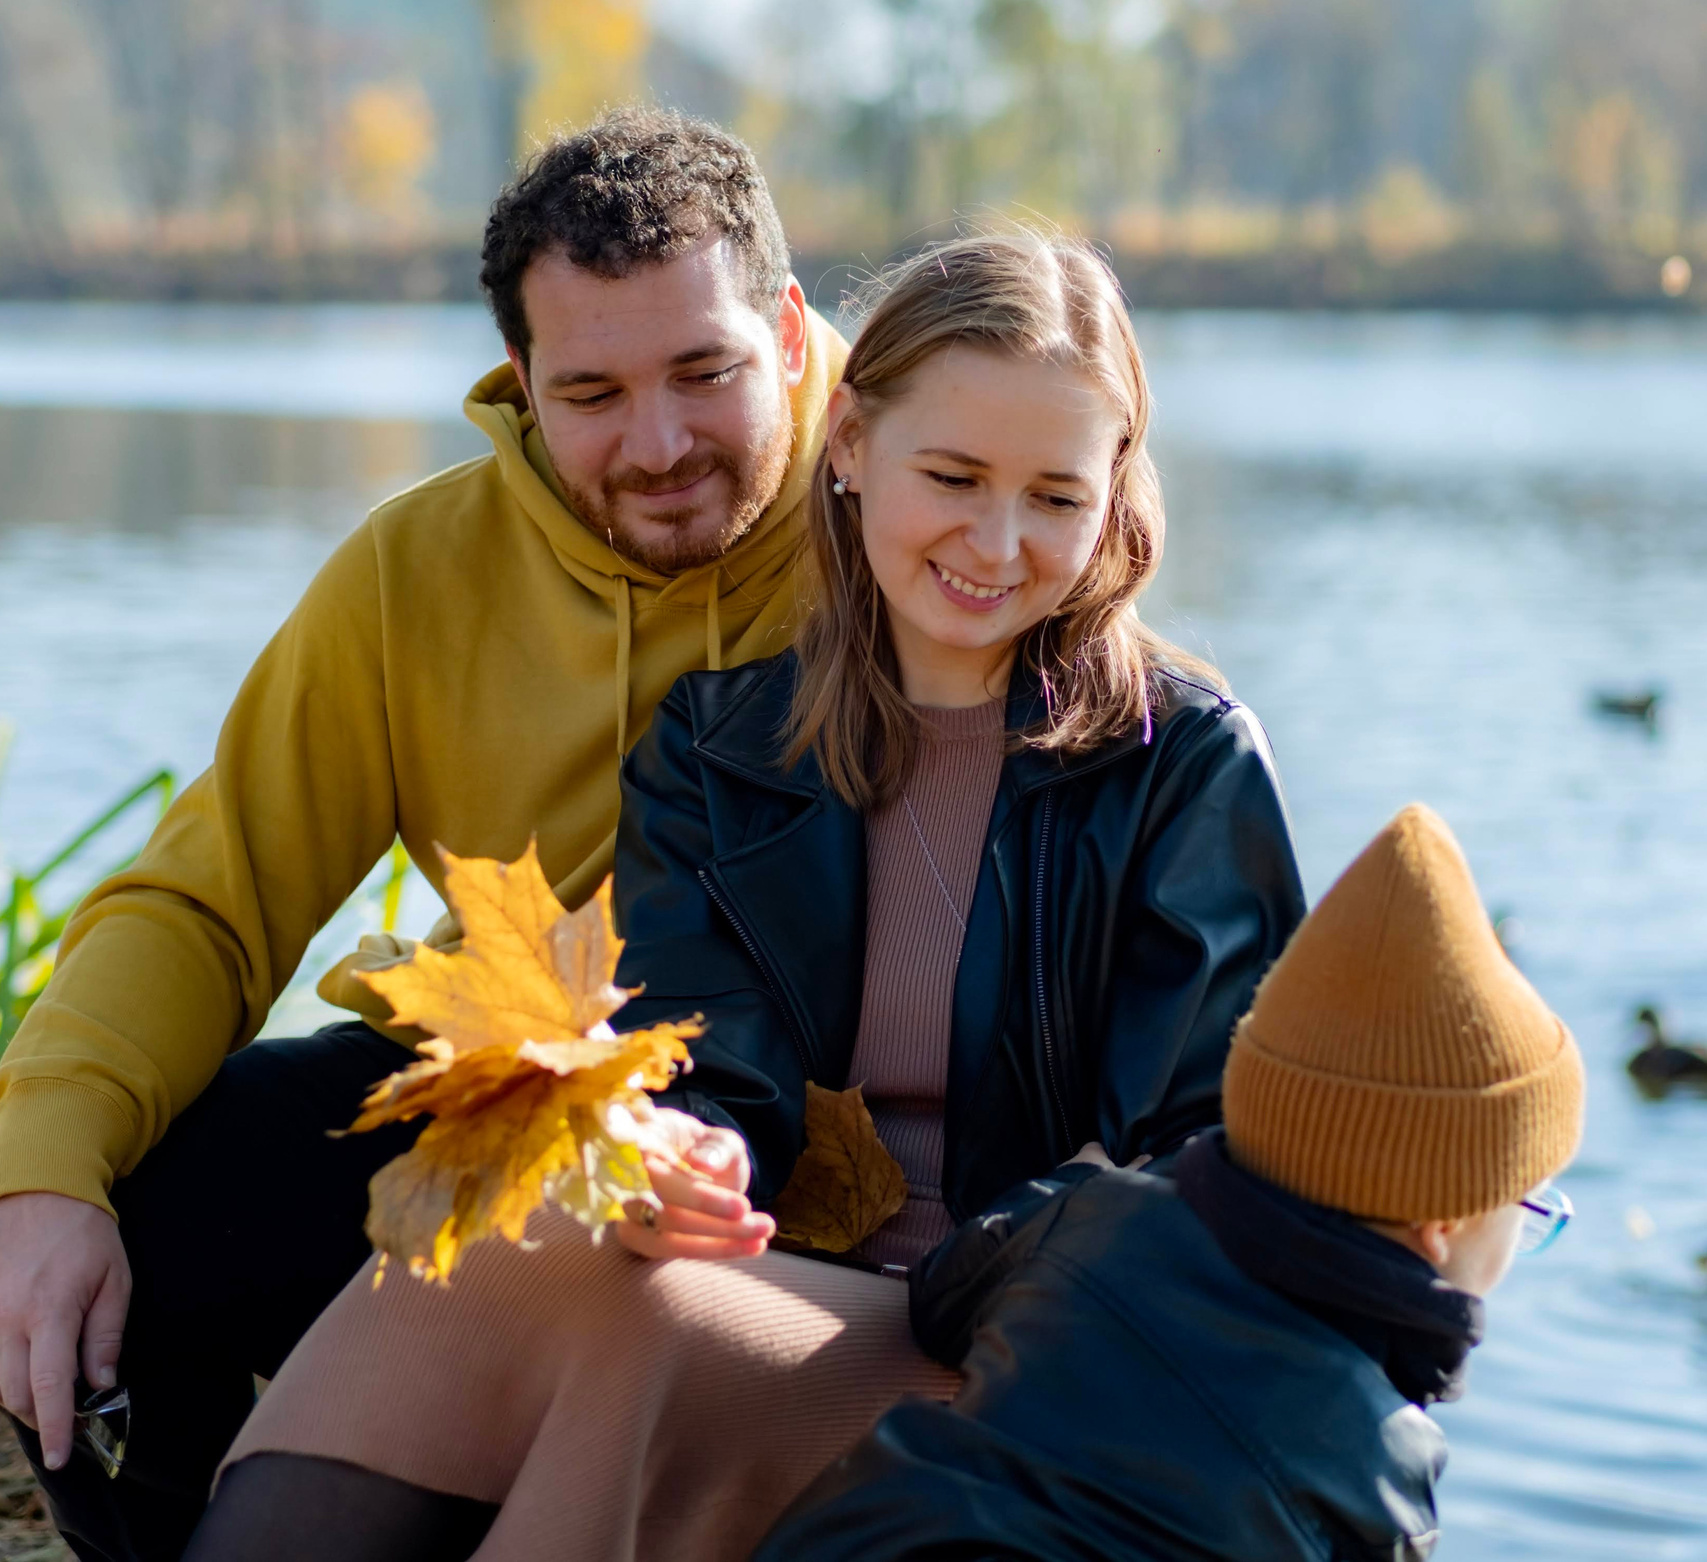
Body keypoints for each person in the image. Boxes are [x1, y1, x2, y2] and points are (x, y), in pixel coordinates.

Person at [182, 227, 1307, 1562]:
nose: (996, 542)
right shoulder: (718, 747)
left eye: (1054, 496)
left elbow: (1193, 1165)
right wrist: (681, 1153)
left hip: (1024, 1346)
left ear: (1112, 492)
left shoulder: (1178, 764)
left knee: (664, 1328)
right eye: (949, 475)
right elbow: (710, 1066)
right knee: (487, 1247)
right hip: (778, 1271)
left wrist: (939, 1268)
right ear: (846, 443)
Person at [0, 107, 852, 1562]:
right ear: (519, 381)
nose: (658, 445)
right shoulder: (413, 570)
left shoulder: (909, 503)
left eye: (702, 372)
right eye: (590, 391)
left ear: (782, 329)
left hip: (801, 1172)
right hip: (497, 1101)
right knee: (114, 1238)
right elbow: (211, 897)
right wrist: (40, 1170)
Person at [755, 802, 1586, 1562]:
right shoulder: (1375, 1469)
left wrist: (1073, 1186)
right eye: (1527, 1205)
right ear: (1440, 1223)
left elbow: (939, 1298)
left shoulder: (1091, 1218)